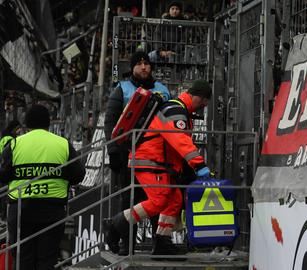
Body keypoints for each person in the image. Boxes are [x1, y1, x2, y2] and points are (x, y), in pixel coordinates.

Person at [104, 79, 212, 260]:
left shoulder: (177, 110)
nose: (202, 107)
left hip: (157, 163)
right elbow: (179, 140)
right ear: (195, 97)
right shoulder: (176, 110)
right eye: (202, 102)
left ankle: (162, 243)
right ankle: (117, 223)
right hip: (150, 161)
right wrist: (199, 164)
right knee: (159, 199)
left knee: (174, 199)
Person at [0, 105, 85, 270]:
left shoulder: (15, 144)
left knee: (22, 258)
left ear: (26, 124)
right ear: (48, 123)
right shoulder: (63, 144)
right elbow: (78, 175)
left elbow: (3, 175)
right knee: (47, 259)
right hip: (52, 210)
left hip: (21, 209)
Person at [104, 50, 171, 255]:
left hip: (157, 156)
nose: (144, 67)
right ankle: (128, 245)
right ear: (132, 67)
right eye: (139, 63)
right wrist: (114, 152)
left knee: (158, 199)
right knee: (129, 199)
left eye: (147, 63)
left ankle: (159, 244)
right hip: (128, 156)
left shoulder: (162, 89)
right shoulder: (122, 89)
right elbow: (111, 122)